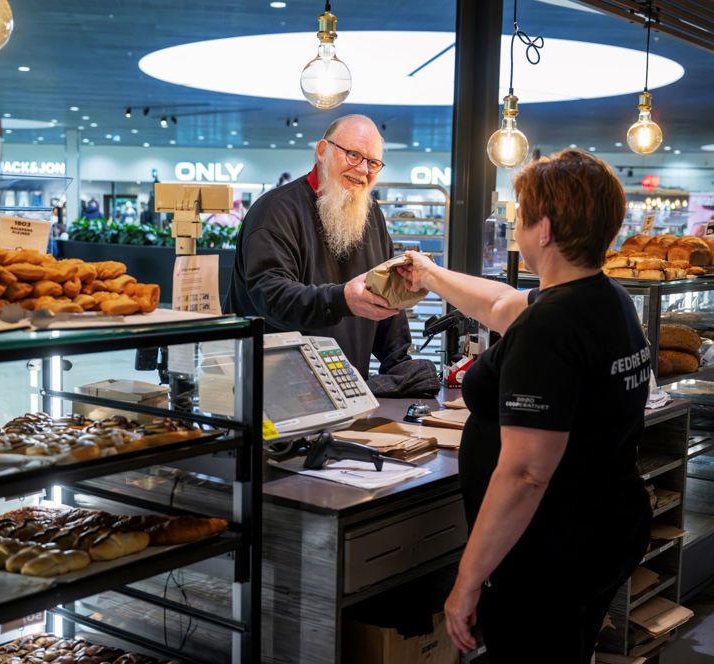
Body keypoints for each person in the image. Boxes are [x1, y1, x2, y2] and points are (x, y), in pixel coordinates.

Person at [397, 149, 652, 662]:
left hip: (552, 551)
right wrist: (427, 275)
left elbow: (525, 474)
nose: (514, 223)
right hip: (609, 526)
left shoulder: (550, 328)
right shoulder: (606, 299)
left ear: (546, 229)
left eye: (520, 213)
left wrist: (467, 580)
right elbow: (497, 305)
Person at [224, 115, 412, 377]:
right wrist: (341, 300)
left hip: (348, 386)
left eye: (373, 162)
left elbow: (385, 295)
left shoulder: (372, 215)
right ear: (323, 151)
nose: (362, 170)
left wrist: (400, 362)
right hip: (272, 387)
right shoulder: (274, 211)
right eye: (353, 155)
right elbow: (271, 297)